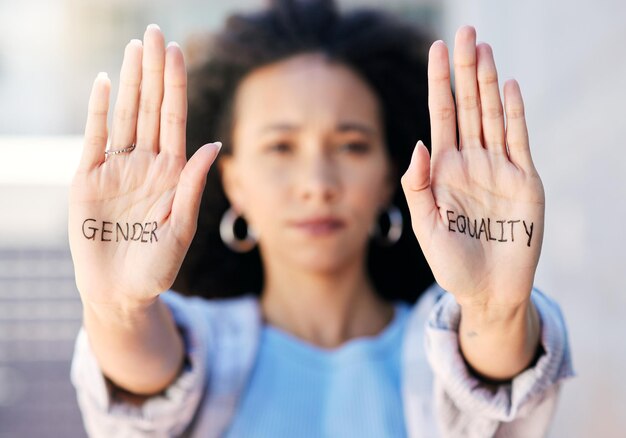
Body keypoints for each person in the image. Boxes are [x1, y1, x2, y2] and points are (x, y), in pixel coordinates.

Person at [68, 0, 573, 437]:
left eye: (352, 145)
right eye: (280, 146)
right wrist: (118, 309)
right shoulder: (204, 346)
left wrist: (494, 309)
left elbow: (493, 378)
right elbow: (143, 378)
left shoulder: (439, 350)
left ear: (387, 175)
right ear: (233, 180)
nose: (317, 182)